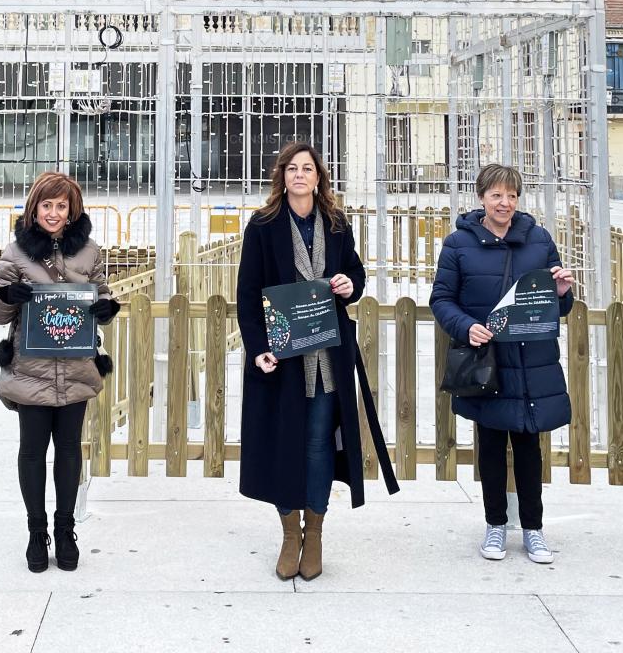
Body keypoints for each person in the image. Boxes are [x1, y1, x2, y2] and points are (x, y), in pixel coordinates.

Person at [236, 140, 397, 582]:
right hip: (284, 356)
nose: (300, 175)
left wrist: (349, 284)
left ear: (319, 177)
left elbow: (356, 274)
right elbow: (248, 295)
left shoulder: (337, 224)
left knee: (318, 443)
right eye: (292, 168)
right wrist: (257, 349)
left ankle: (316, 531)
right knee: (286, 441)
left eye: (307, 168)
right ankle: (290, 534)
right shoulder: (263, 226)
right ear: (282, 176)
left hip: (329, 354)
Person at [430, 164, 574, 564]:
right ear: (481, 198)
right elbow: (441, 298)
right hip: (488, 362)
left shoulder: (539, 240)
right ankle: (495, 525)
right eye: (496, 195)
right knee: (491, 447)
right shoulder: (459, 244)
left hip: (530, 362)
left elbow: (555, 304)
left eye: (511, 195)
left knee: (529, 446)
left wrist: (562, 292)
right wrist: (468, 326)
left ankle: (533, 530)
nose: (505, 203)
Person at [0, 171, 119, 573]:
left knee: (68, 449)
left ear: (72, 209)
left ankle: (65, 530)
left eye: (62, 206)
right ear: (35, 208)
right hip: (31, 368)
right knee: (31, 450)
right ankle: (35, 531)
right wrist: (9, 296)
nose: (55, 213)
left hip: (76, 366)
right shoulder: (15, 253)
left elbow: (102, 291)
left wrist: (106, 307)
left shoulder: (89, 252)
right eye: (48, 205)